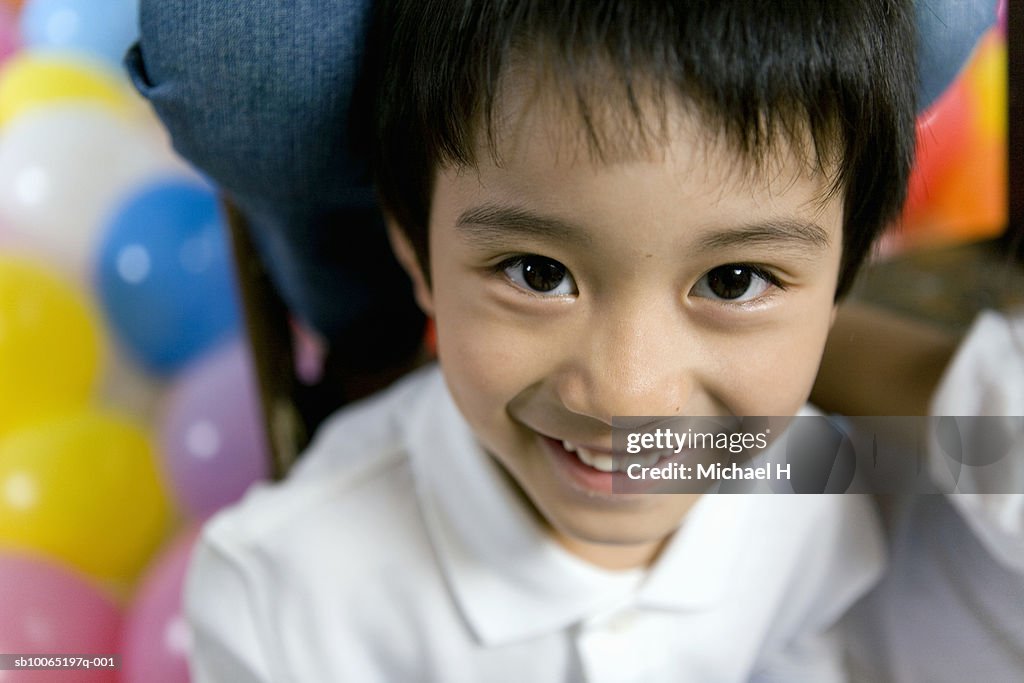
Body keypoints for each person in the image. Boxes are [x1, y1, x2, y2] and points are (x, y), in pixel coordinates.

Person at [175, 2, 920, 681]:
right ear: (414, 250)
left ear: (842, 281)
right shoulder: (277, 601)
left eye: (732, 281)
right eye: (537, 273)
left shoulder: (819, 493)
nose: (628, 393)